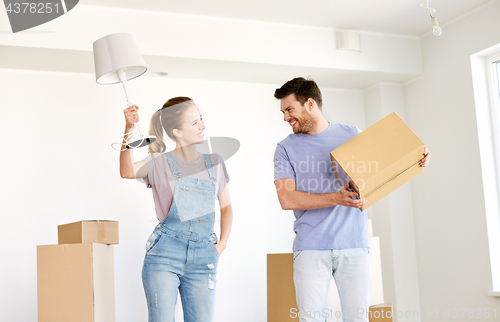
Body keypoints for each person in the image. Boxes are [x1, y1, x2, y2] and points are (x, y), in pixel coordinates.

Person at [273, 78, 430, 322]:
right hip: (311, 247)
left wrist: (417, 158)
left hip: (354, 245)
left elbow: (384, 168)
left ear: (310, 104)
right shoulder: (285, 148)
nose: (285, 117)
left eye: (289, 110)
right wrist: (336, 198)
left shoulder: (352, 134)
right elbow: (286, 198)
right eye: (283, 112)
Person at [119, 96, 233, 322]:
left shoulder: (215, 162)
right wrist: (128, 129)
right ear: (177, 132)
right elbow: (127, 171)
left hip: (204, 256)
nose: (202, 125)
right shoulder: (158, 162)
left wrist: (221, 245)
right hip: (164, 256)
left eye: (200, 119)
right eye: (194, 122)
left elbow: (227, 208)